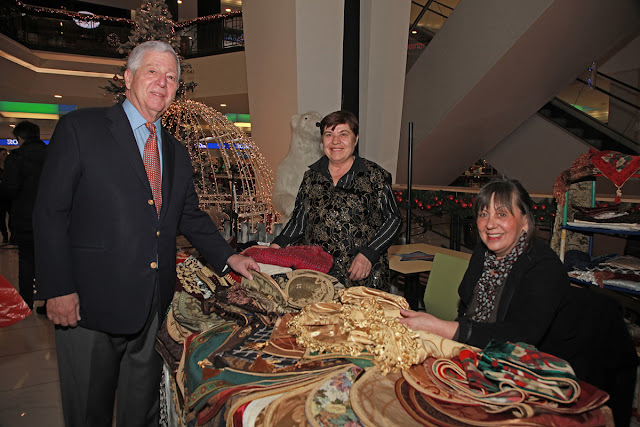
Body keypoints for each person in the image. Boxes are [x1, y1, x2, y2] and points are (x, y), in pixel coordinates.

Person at [33, 41, 259, 426]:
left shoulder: (176, 152)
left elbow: (189, 215)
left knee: (142, 414)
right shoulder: (81, 129)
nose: (162, 82)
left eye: (171, 77)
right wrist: (57, 288)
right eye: (152, 71)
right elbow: (50, 212)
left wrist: (229, 256)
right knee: (88, 413)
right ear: (128, 77)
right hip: (88, 306)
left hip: (152, 309)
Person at [399, 177, 637, 426]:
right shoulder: (483, 255)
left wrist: (444, 328)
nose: (490, 224)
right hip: (501, 355)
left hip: (563, 367)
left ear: (525, 221)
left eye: (502, 214)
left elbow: (520, 335)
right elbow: (468, 310)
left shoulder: (543, 266)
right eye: (483, 214)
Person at [271, 110, 401, 291]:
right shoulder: (311, 177)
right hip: (318, 277)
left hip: (363, 276)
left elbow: (394, 219)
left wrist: (369, 254)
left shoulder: (375, 175)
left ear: (355, 139)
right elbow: (299, 221)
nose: (335, 141)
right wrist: (276, 246)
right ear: (322, 141)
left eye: (343, 134)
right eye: (329, 134)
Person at [0, 122, 46, 310]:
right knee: (49, 259)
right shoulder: (52, 154)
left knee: (26, 259)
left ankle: (26, 301)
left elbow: (9, 189)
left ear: (20, 138)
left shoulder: (16, 158)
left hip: (25, 217)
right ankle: (49, 302)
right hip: (51, 217)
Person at [0, 147, 10, 243]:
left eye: (6, 154)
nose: (5, 156)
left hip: (9, 195)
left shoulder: (10, 167)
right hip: (1, 197)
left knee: (12, 216)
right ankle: (5, 234)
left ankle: (13, 236)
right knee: (1, 217)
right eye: (3, 154)